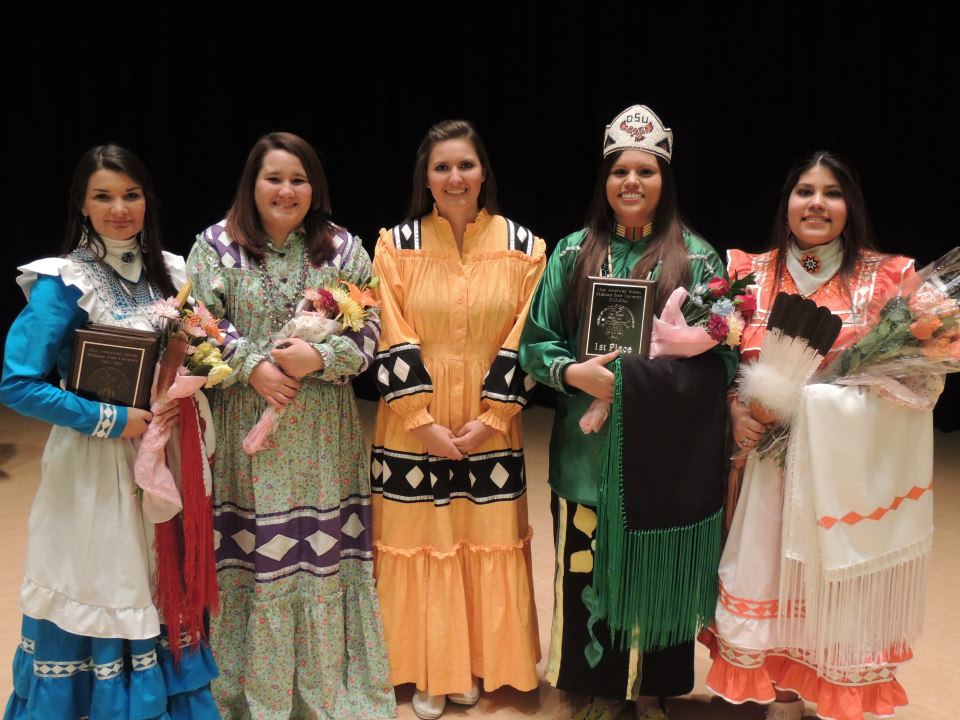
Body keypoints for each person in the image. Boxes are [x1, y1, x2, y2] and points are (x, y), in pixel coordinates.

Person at [519, 105, 737, 720]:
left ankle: (651, 689)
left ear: (665, 181)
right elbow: (534, 343)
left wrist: (646, 382)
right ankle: (597, 691)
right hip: (586, 454)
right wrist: (571, 372)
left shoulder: (697, 260)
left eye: (646, 170)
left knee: (652, 566)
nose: (632, 183)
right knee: (585, 569)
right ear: (604, 181)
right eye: (620, 171)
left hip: (662, 456)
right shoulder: (571, 253)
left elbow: (722, 361)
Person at [704, 151, 929, 720]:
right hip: (761, 471)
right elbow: (712, 363)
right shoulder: (745, 273)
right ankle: (778, 689)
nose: (817, 204)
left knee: (830, 581)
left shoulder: (888, 279)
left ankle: (822, 686)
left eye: (831, 193)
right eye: (805, 191)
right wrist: (734, 409)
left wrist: (815, 408)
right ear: (787, 202)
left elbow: (918, 382)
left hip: (841, 472)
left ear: (849, 206)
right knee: (769, 577)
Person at [1, 144, 220, 718]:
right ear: (81, 205)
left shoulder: (174, 273)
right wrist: (112, 420)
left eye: (131, 194)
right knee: (103, 582)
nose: (119, 208)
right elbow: (18, 383)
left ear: (148, 199)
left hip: (164, 454)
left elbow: (193, 352)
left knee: (156, 580)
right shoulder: (63, 281)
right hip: (94, 465)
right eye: (103, 196)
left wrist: (188, 372)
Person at [187, 132, 395, 720]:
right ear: (252, 184)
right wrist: (254, 368)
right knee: (252, 561)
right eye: (273, 178)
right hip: (244, 437)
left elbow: (370, 333)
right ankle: (248, 695)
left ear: (315, 188)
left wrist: (321, 360)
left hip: (323, 437)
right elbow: (196, 328)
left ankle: (325, 692)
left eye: (298, 180)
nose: (286, 190)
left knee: (321, 559)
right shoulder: (216, 246)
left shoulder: (344, 250)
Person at [369, 119, 545, 720]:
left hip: (490, 421)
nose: (454, 177)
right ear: (426, 176)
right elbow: (388, 328)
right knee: (423, 540)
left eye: (465, 164)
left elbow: (530, 335)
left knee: (483, 537)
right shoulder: (395, 244)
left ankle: (474, 663)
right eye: (441, 166)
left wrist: (493, 417)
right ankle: (426, 669)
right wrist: (420, 420)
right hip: (412, 420)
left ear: (483, 171)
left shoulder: (526, 247)